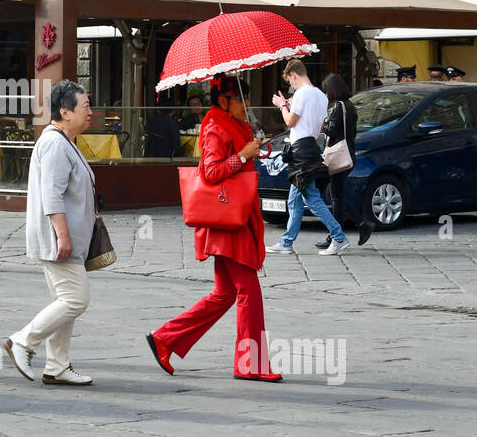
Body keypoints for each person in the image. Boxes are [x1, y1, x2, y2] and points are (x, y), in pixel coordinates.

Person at [146, 76, 280, 381]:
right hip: (228, 222)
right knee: (248, 291)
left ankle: (165, 338)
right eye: (240, 98)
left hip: (234, 217)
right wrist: (245, 154)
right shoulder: (215, 126)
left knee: (225, 294)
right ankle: (251, 364)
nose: (245, 105)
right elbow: (211, 171)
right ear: (223, 100)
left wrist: (252, 149)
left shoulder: (229, 122)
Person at [3, 79, 97, 387]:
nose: (91, 112)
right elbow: (52, 195)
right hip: (60, 240)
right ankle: (22, 341)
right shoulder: (55, 143)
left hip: (68, 239)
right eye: (85, 107)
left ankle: (57, 366)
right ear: (65, 112)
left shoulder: (64, 141)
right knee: (75, 300)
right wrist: (64, 236)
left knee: (64, 300)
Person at [265, 60, 349, 256]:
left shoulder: (301, 94)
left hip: (300, 151)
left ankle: (339, 236)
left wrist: (281, 106)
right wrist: (289, 104)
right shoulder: (321, 95)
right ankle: (286, 242)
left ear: (294, 74)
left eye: (290, 81)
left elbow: (290, 121)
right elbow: (319, 126)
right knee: (294, 199)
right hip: (312, 146)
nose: (291, 86)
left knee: (311, 197)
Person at [318, 73, 371, 249]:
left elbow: (331, 131)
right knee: (337, 196)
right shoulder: (350, 106)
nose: (325, 94)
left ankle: (346, 231)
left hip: (339, 155)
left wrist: (322, 124)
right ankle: (345, 231)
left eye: (326, 90)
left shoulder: (339, 107)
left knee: (336, 197)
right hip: (347, 153)